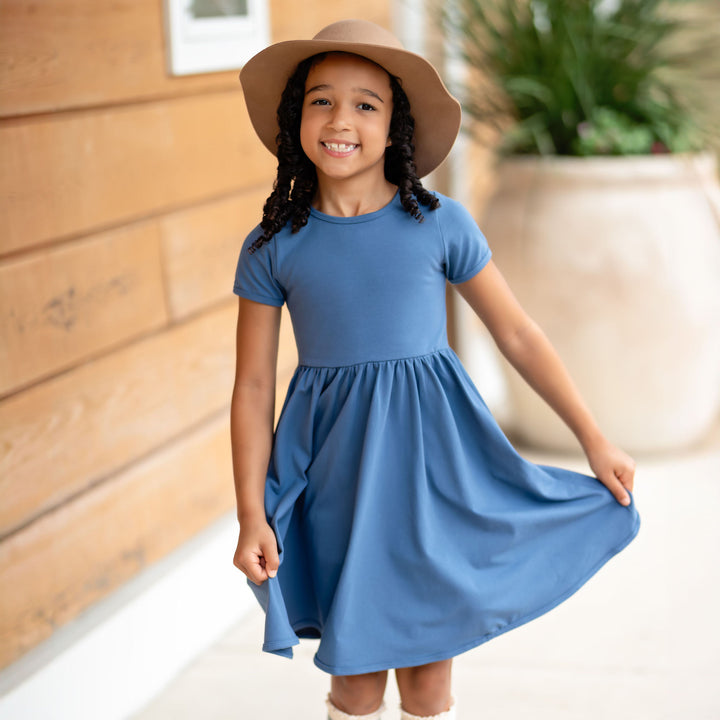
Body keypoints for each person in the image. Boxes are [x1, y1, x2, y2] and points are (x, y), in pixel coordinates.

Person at [230, 19, 640, 720]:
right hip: (335, 476)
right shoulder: (274, 244)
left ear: (397, 128)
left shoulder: (439, 223)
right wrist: (248, 513)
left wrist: (593, 438)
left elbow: (517, 333)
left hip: (433, 473)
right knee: (355, 683)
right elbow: (253, 387)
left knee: (426, 683)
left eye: (366, 104)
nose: (340, 120)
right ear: (296, 116)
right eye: (320, 100)